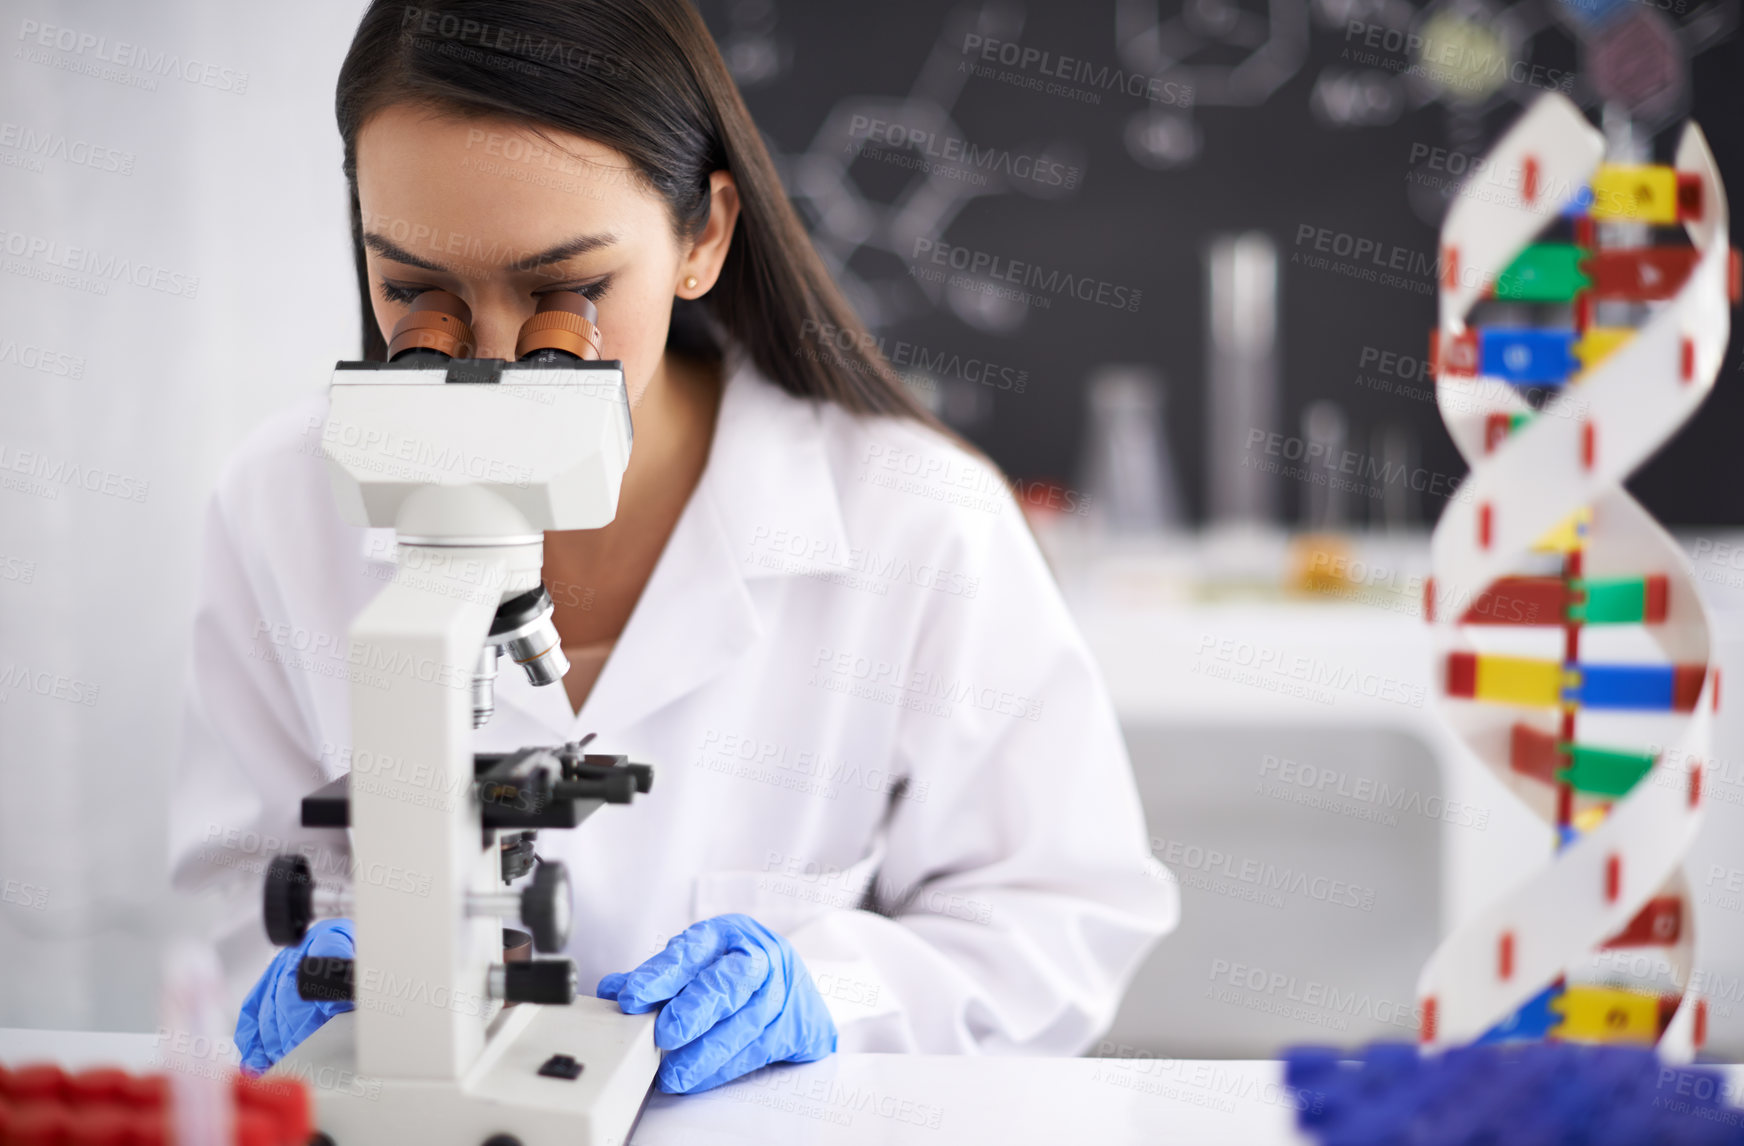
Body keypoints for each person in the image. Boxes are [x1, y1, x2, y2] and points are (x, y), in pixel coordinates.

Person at [168, 0, 1176, 1095]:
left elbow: (1059, 919)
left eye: (569, 296)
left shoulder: (917, 522)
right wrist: (298, 986)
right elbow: (230, 916)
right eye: (417, 293)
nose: (497, 361)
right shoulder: (281, 506)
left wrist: (830, 993)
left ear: (702, 234)